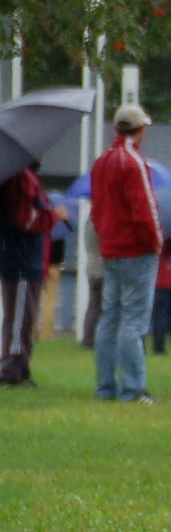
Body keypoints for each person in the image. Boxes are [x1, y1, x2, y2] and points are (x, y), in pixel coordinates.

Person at [90, 103, 165, 403]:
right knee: (133, 320)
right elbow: (145, 208)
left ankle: (105, 386)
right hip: (136, 248)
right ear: (141, 129)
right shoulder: (133, 162)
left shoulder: (102, 161)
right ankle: (133, 389)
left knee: (110, 318)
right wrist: (155, 242)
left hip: (109, 247)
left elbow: (96, 207)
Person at [1, 161, 67, 386]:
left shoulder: (22, 175)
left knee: (24, 316)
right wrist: (52, 216)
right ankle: (11, 369)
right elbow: (25, 218)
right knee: (20, 317)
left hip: (27, 257)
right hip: (21, 258)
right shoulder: (20, 177)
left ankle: (19, 368)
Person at [150, 235, 171, 354]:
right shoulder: (168, 230)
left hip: (147, 274)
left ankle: (139, 345)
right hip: (163, 276)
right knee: (161, 313)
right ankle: (159, 346)